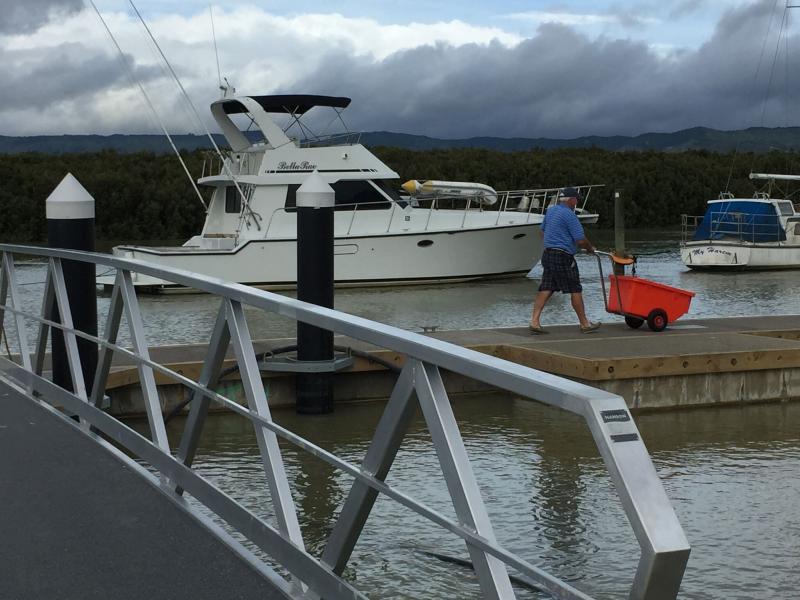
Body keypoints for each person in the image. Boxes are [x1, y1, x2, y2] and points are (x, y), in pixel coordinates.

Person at [529, 187, 600, 334]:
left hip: (548, 254)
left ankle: (534, 321)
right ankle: (585, 324)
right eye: (576, 199)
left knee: (547, 287)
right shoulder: (569, 215)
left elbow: (542, 231)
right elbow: (580, 240)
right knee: (575, 288)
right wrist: (590, 248)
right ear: (571, 200)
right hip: (563, 256)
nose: (577, 202)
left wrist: (553, 241)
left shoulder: (551, 211)